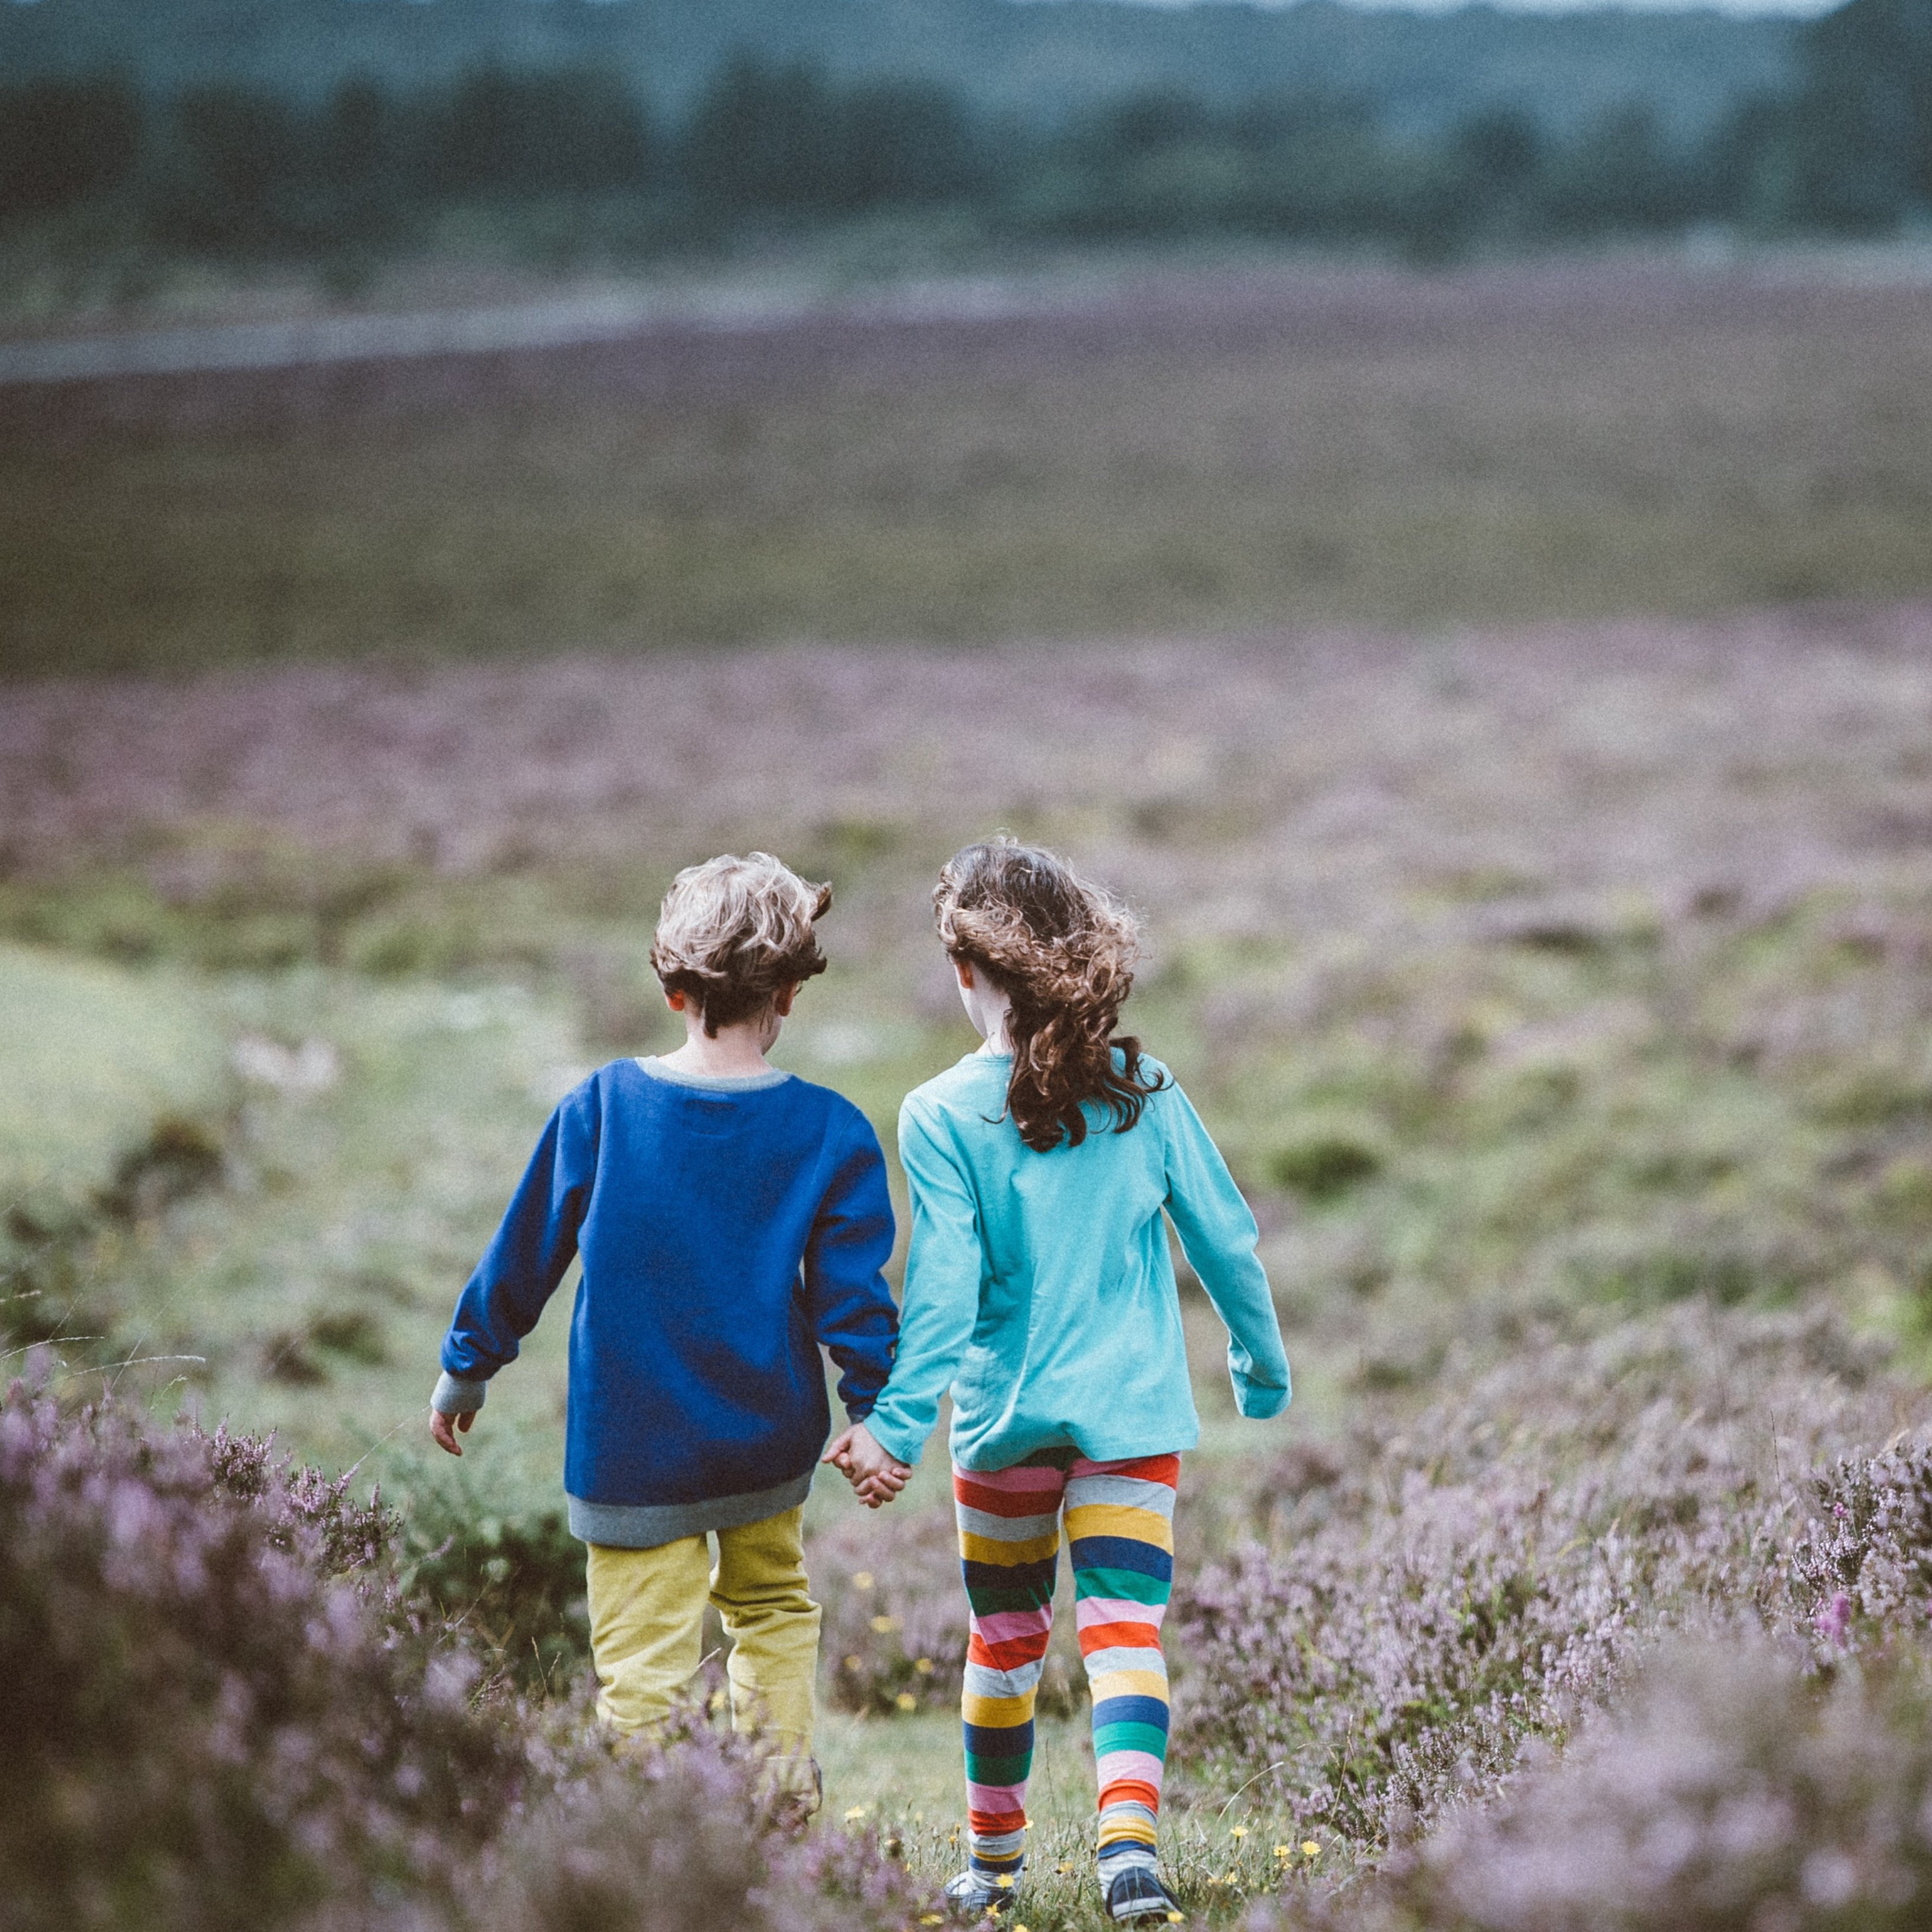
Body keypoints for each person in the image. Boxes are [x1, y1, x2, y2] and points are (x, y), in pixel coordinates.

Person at [826, 839, 1290, 1925]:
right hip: (1133, 1423)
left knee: (1006, 1642)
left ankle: (991, 1871)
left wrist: (896, 1428)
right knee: (1125, 1632)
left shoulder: (939, 1112)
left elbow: (941, 1293)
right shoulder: (1146, 1088)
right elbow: (1227, 1238)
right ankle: (1131, 1856)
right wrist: (1258, 1364)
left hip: (1002, 1426)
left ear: (965, 973)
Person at [430, 852, 898, 1808]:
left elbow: (525, 1253)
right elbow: (855, 1298)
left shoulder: (601, 1108)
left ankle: (653, 1844)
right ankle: (779, 1811)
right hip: (769, 1442)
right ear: (790, 995)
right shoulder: (831, 1129)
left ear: (674, 987)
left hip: (630, 1448)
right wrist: (875, 1406)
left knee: (641, 1667)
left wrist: (467, 1367)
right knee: (771, 1610)